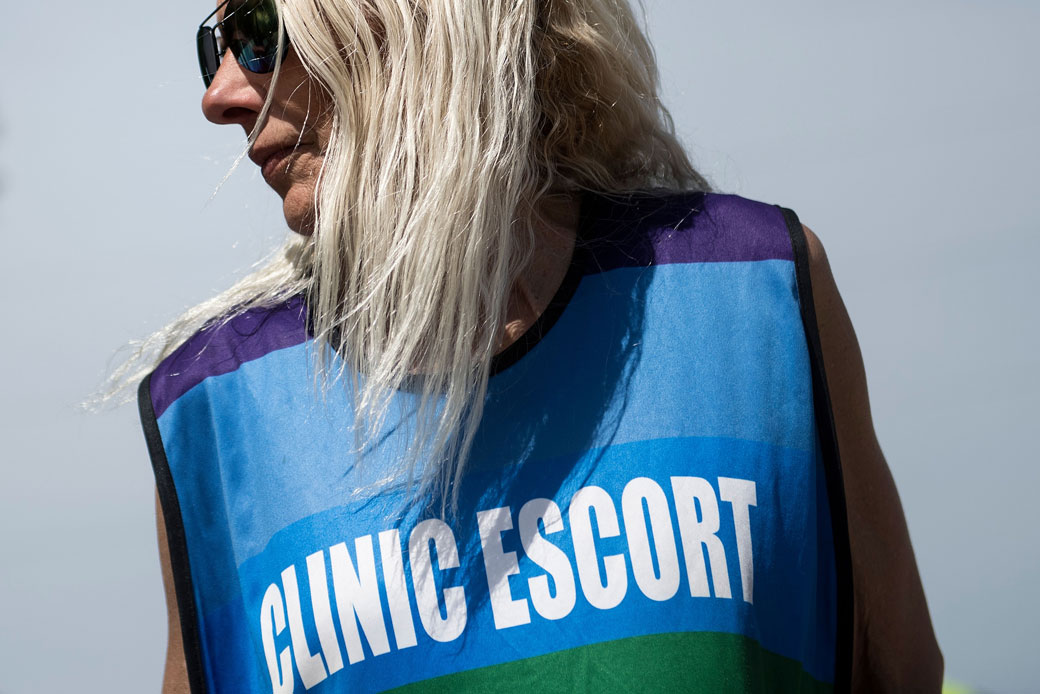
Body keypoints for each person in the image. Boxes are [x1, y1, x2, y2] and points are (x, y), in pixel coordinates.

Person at [135, 0, 943, 691]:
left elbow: (896, 671)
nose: (221, 94)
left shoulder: (754, 293)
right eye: (215, 46)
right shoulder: (216, 414)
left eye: (259, 28)